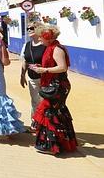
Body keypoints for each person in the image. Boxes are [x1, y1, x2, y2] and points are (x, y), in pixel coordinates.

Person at [30, 24, 77, 155]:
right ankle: (60, 143)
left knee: (50, 113)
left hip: (57, 86)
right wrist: (40, 67)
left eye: (41, 37)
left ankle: (52, 146)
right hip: (53, 84)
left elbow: (62, 67)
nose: (39, 40)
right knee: (55, 112)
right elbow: (53, 65)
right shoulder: (50, 47)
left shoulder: (56, 49)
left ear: (48, 38)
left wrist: (44, 70)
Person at [19, 21, 46, 127]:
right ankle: (35, 123)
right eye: (28, 28)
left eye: (32, 28)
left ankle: (45, 124)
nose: (29, 30)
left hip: (45, 77)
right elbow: (25, 61)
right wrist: (22, 75)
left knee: (44, 101)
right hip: (32, 77)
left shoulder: (45, 45)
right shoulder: (27, 45)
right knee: (35, 101)